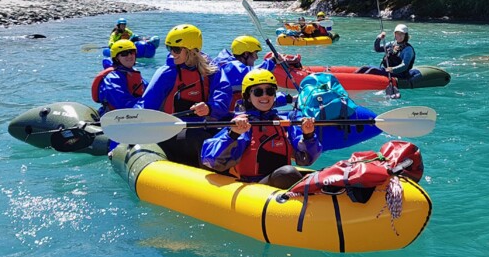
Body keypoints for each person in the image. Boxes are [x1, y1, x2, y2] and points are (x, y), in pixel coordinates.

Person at [201, 69, 321, 189]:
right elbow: (212, 161)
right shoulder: (243, 125)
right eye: (258, 92)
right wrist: (233, 134)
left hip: (280, 180)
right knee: (287, 173)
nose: (265, 96)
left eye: (269, 91)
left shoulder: (283, 122)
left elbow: (305, 160)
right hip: (253, 187)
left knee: (321, 174)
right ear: (248, 96)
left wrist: (308, 136)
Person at [137, 24, 232, 165]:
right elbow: (146, 107)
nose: (172, 53)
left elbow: (223, 95)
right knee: (198, 138)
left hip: (204, 127)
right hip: (171, 132)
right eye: (169, 48)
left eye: (176, 49)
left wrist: (210, 107)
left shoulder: (212, 71)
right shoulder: (166, 73)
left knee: (231, 131)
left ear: (192, 50)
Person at [91, 39, 148, 153]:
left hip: (134, 116)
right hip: (116, 120)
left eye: (132, 52)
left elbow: (149, 93)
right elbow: (124, 104)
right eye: (124, 54)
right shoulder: (113, 78)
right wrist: (148, 106)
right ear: (117, 58)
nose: (129, 56)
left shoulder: (135, 74)